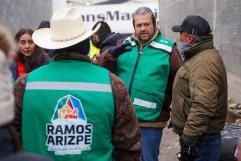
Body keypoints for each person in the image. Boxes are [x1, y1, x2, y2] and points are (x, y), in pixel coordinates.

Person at [13, 7, 141, 161]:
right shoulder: (113, 84)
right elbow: (129, 145)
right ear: (86, 45)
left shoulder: (24, 85)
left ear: (52, 46)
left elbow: (10, 139)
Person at [98, 7, 182, 161]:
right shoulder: (122, 45)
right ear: (134, 26)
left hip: (150, 122)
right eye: (139, 25)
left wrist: (179, 116)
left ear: (154, 24)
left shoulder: (168, 49)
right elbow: (100, 71)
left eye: (146, 24)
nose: (143, 28)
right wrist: (110, 55)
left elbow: (181, 85)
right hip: (121, 120)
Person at [171, 15, 227, 161]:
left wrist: (189, 137)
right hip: (199, 138)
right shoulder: (198, 56)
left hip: (201, 141)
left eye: (181, 35)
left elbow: (203, 105)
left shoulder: (204, 62)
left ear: (189, 39)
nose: (179, 39)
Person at [0, 24, 52, 161]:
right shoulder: (10, 63)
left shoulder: (46, 62)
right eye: (23, 42)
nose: (27, 46)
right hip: (15, 113)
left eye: (31, 42)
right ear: (17, 44)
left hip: (38, 109)